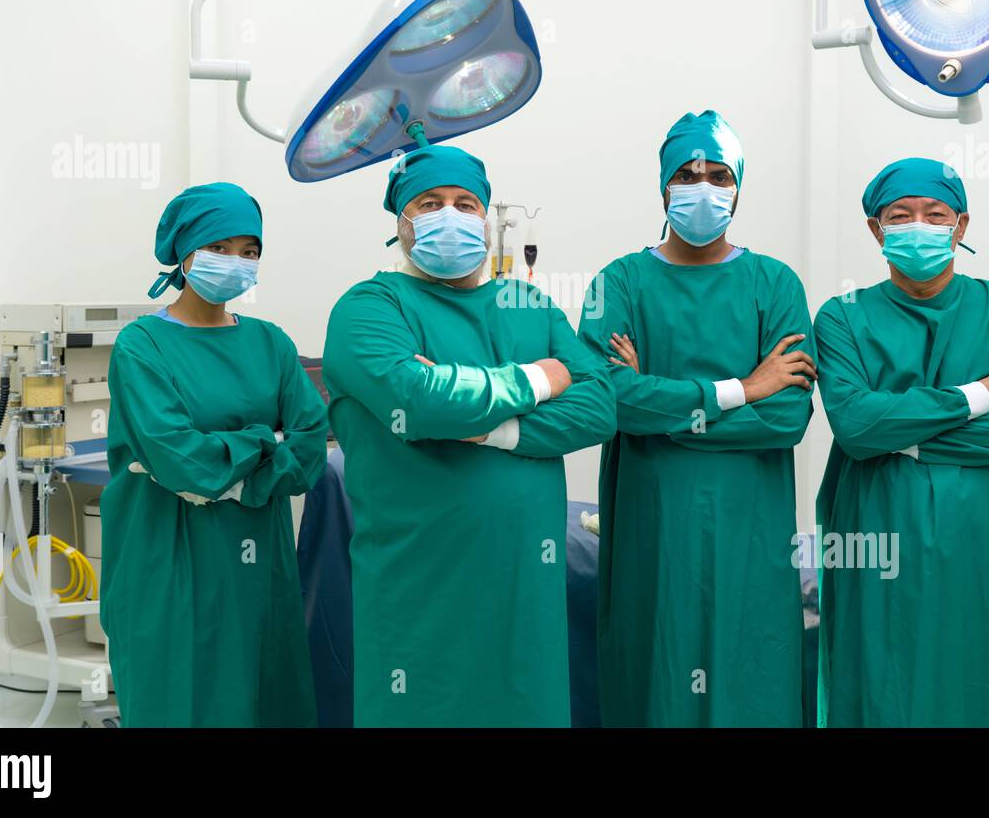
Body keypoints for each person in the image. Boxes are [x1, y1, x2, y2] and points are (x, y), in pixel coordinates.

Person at [322, 144, 617, 727]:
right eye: (429, 204)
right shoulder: (370, 307)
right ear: (401, 222)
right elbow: (422, 401)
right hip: (422, 582)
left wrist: (497, 430)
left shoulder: (526, 301)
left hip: (523, 589)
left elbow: (601, 405)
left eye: (465, 203)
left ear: (485, 219)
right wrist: (543, 376)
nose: (450, 216)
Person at [578, 110, 816, 726]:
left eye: (718, 175)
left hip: (751, 528)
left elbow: (788, 417)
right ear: (663, 187)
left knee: (750, 674)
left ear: (738, 187)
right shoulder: (620, 282)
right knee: (655, 671)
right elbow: (611, 402)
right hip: (652, 526)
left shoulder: (774, 283)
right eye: (687, 174)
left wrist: (660, 406)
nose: (703, 187)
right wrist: (746, 387)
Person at [813, 157, 989, 727]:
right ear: (876, 229)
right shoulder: (843, 317)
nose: (918, 225)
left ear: (962, 225)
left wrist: (906, 439)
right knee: (882, 671)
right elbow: (855, 427)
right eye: (900, 216)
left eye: (935, 214)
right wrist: (978, 395)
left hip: (987, 534)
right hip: (879, 527)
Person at [101, 182, 328, 727]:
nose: (236, 262)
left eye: (249, 251)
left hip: (256, 558)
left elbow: (310, 446)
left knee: (262, 689)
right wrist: (263, 441)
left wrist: (230, 467)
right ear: (184, 252)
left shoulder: (270, 342)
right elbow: (181, 458)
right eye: (219, 248)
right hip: (167, 553)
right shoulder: (141, 345)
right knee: (178, 691)